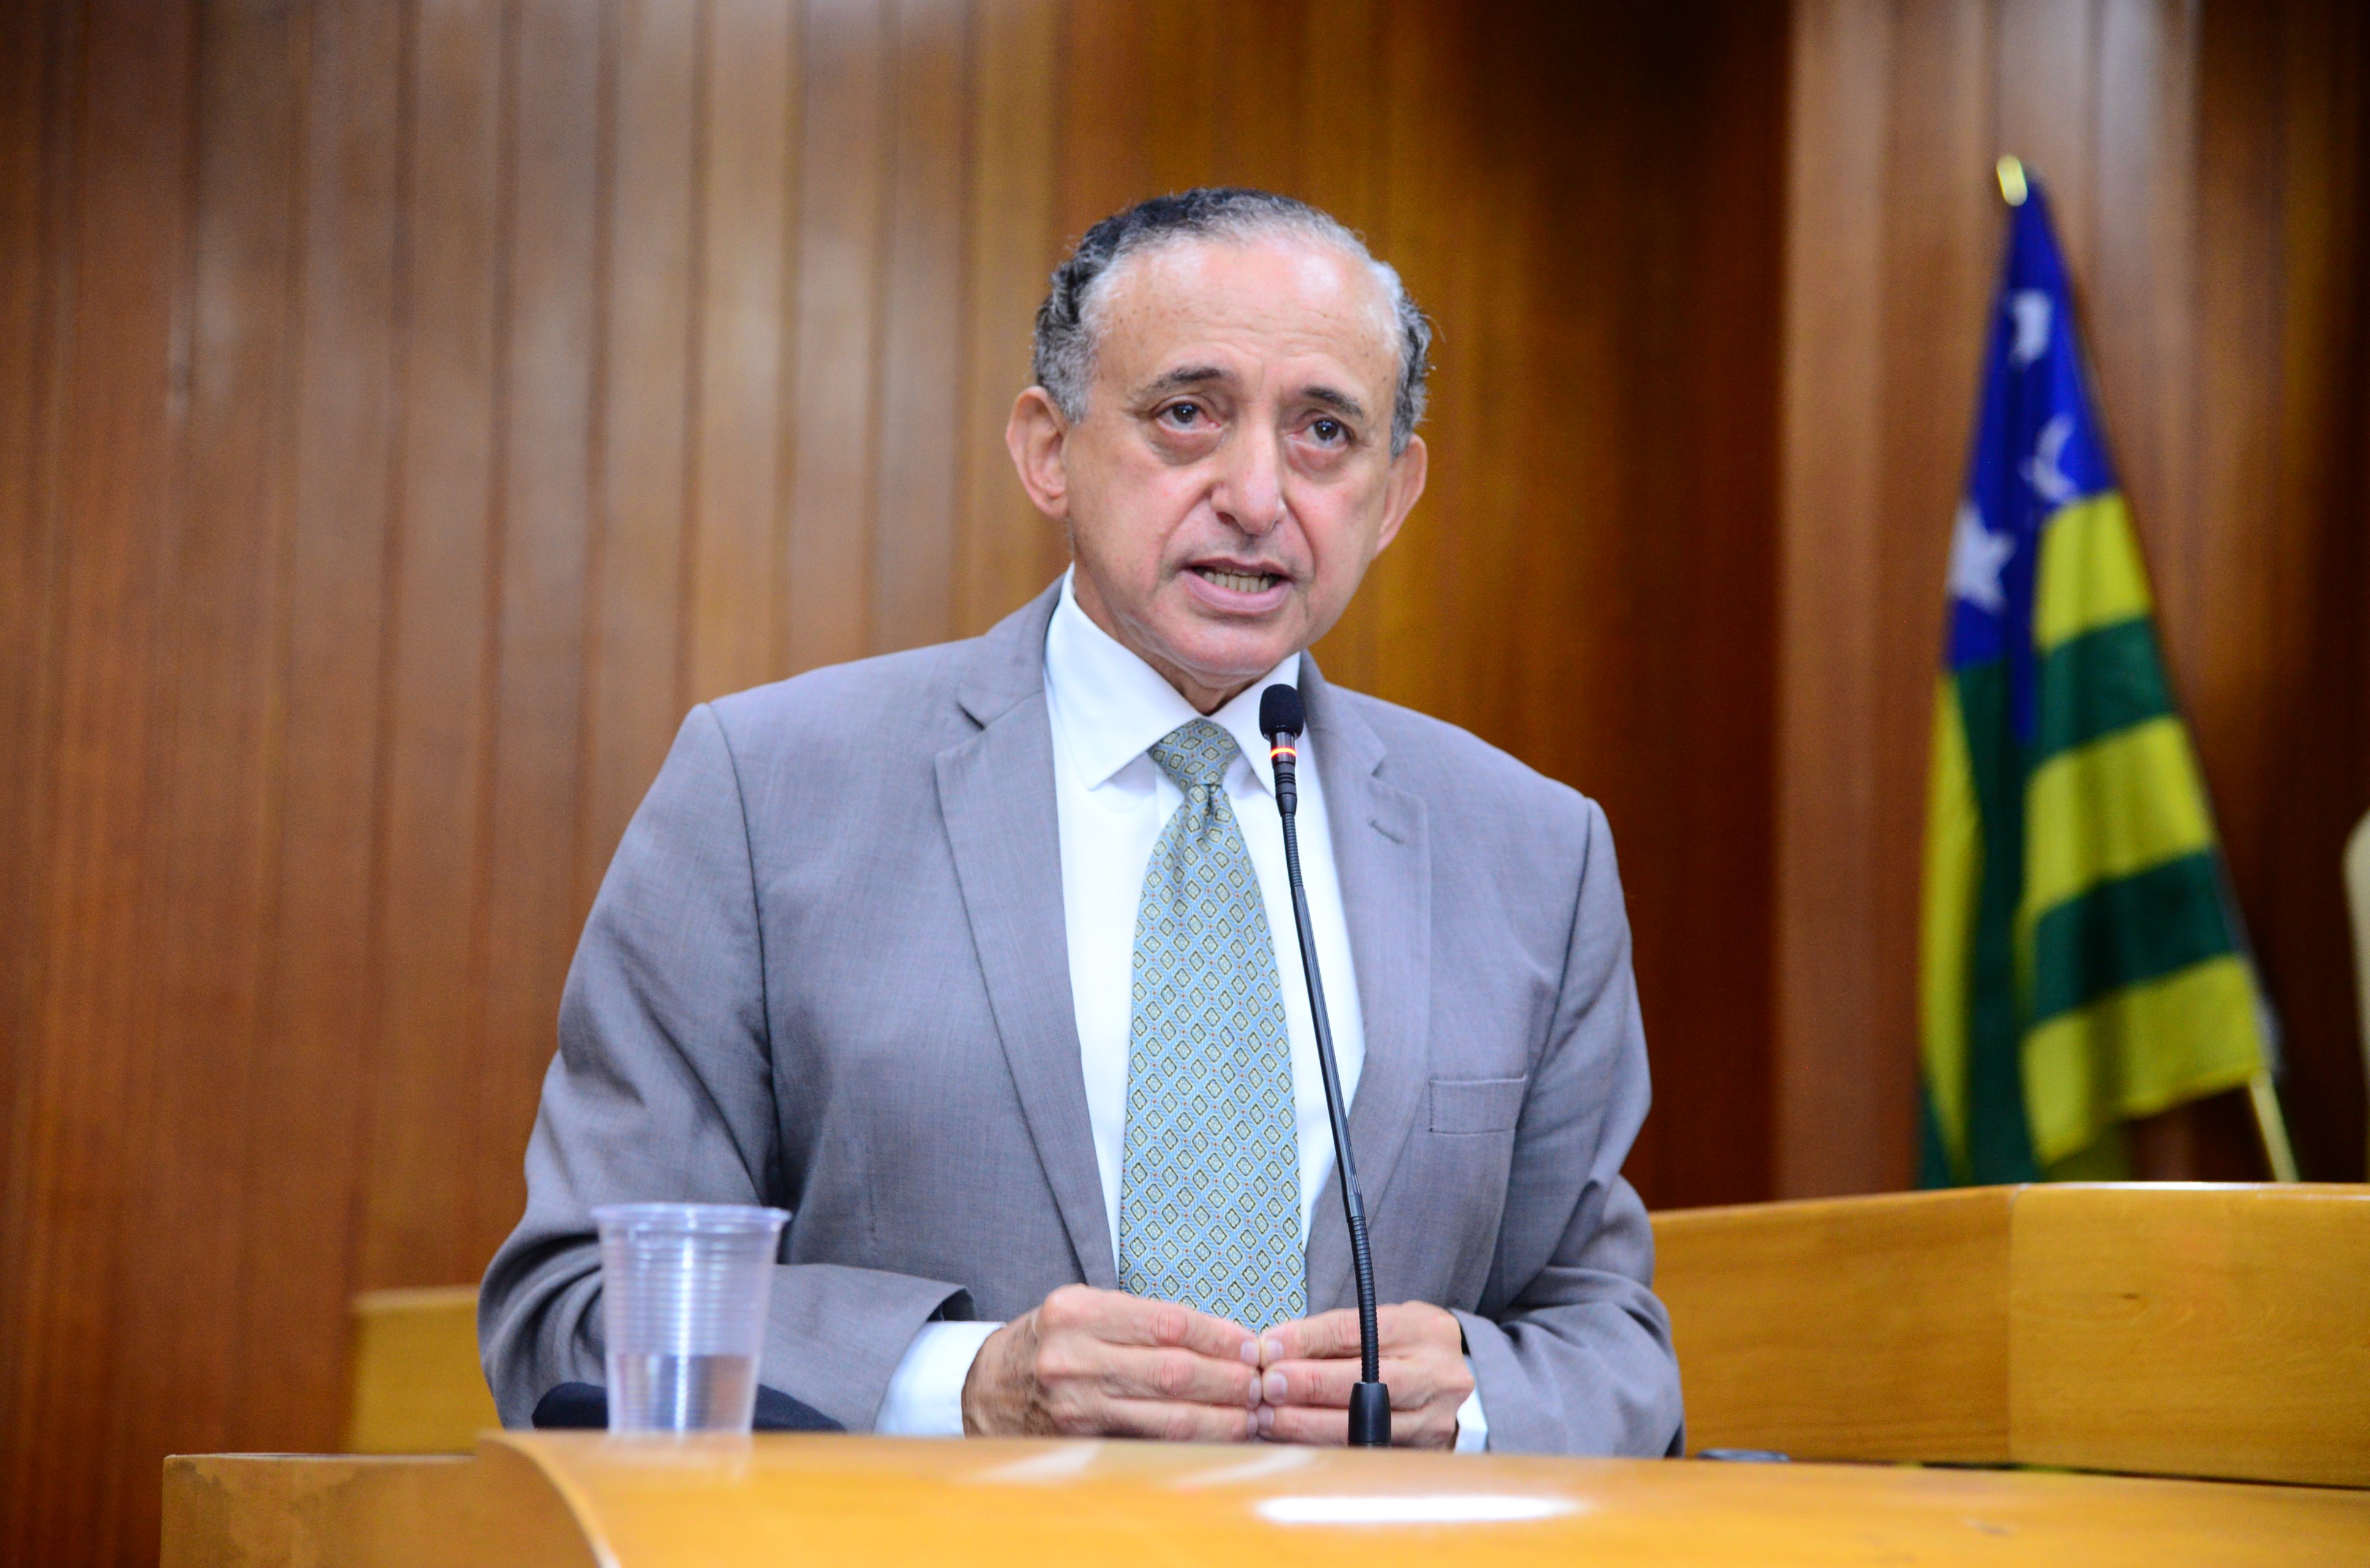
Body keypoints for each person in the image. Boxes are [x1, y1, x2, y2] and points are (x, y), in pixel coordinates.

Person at [481, 189, 1683, 1454]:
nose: (1258, 494)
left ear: (1393, 495)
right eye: (1188, 414)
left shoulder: (1531, 851)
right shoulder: (767, 791)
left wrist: (1477, 1399)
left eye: (1326, 432)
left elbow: (1609, 1342)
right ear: (1048, 450)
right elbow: (574, 1312)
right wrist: (964, 1382)